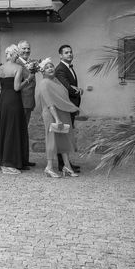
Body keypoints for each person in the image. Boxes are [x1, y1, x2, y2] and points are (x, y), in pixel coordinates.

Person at [0, 44, 30, 175]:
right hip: (14, 100)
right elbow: (17, 87)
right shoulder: (18, 67)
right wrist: (28, 80)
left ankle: (2, 159)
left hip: (3, 100)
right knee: (13, 129)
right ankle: (9, 163)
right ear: (15, 54)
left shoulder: (0, 67)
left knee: (3, 128)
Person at [37, 58, 80, 178]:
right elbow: (49, 102)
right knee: (52, 139)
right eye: (47, 67)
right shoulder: (44, 83)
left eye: (51, 66)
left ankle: (67, 166)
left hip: (61, 113)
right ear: (43, 72)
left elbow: (63, 97)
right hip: (52, 114)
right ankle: (49, 167)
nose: (50, 68)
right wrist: (57, 119)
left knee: (64, 139)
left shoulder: (57, 81)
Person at [55, 44, 82, 173]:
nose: (69, 54)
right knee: (63, 135)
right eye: (66, 53)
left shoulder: (69, 67)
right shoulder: (60, 69)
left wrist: (77, 89)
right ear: (60, 55)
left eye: (70, 52)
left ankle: (67, 163)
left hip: (71, 106)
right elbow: (67, 87)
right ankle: (62, 164)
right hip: (65, 106)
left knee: (67, 135)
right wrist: (77, 91)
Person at [17, 40, 37, 168]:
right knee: (19, 131)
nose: (26, 51)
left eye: (28, 48)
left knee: (24, 132)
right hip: (21, 102)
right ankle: (19, 160)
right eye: (23, 49)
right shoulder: (17, 64)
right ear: (19, 50)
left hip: (29, 102)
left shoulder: (31, 63)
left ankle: (24, 158)